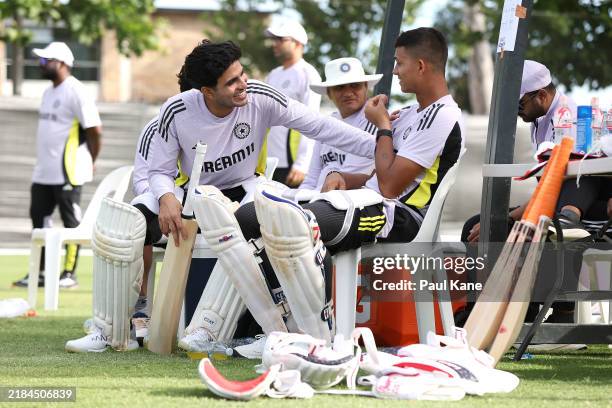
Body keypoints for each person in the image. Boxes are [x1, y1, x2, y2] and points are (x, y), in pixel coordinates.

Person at [64, 39, 376, 353]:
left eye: (242, 74)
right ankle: (111, 332)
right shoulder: (177, 110)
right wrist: (165, 198)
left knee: (251, 224)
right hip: (192, 195)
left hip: (244, 190)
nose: (243, 85)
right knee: (127, 221)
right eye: (232, 82)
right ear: (207, 91)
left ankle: (209, 331)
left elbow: (320, 126)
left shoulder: (259, 96)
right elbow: (158, 171)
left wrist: (382, 147)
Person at [194, 27, 464, 354]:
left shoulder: (442, 115)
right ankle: (264, 329)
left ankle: (315, 338)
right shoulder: (409, 114)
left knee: (292, 225)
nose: (395, 71)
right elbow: (378, 174)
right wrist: (343, 175)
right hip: (368, 204)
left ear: (421, 66)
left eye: (400, 63)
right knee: (249, 218)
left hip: (401, 218)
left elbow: (391, 186)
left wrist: (382, 127)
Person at [177, 56, 381, 355]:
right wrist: (299, 196)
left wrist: (342, 178)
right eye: (339, 88)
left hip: (356, 207)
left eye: (354, 86)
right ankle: (229, 326)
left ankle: (288, 333)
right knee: (247, 223)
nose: (347, 92)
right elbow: (313, 178)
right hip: (322, 202)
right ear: (329, 93)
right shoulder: (333, 124)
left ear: (366, 86)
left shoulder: (375, 124)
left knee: (259, 223)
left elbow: (382, 172)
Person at [461, 61, 612, 329]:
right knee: (477, 222)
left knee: (540, 218)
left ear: (541, 95)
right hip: (560, 202)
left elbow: (565, 181)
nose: (515, 112)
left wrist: (513, 217)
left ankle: (544, 310)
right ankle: (484, 309)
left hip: (592, 208)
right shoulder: (541, 121)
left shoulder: (574, 117)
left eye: (518, 104)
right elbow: (549, 187)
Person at [13, 42, 102, 289]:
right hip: (43, 171)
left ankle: (68, 274)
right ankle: (40, 273)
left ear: (62, 63)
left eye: (46, 60)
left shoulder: (76, 91)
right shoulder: (48, 92)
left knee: (71, 224)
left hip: (68, 171)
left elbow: (94, 130)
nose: (41, 65)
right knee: (39, 222)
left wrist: (91, 160)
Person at [264, 19, 321, 187]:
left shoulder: (308, 74)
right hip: (268, 161)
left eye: (280, 40)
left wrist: (302, 164)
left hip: (291, 164)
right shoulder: (273, 74)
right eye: (274, 40)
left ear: (297, 43)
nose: (275, 44)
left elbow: (312, 121)